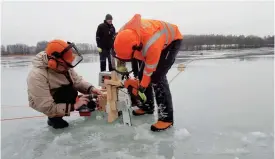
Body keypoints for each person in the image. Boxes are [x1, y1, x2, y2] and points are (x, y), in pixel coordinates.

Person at [112, 14, 183, 132]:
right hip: (149, 39)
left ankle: (166, 118)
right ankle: (148, 106)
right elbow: (128, 56)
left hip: (171, 41)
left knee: (157, 77)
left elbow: (149, 70)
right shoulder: (122, 35)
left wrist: (142, 87)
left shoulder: (151, 45)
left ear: (137, 47)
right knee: (141, 75)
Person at [27, 39, 105, 129]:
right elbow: (45, 106)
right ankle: (53, 119)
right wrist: (73, 106)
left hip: (61, 92)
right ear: (53, 63)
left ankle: (78, 102)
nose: (68, 68)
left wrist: (91, 89)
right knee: (66, 95)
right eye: (66, 66)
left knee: (70, 91)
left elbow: (77, 81)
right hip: (45, 102)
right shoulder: (37, 75)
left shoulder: (65, 64)